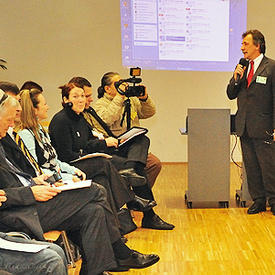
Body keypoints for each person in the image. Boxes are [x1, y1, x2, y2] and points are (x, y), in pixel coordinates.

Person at [0, 90, 160, 275]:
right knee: (96, 190)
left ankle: (96, 269)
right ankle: (120, 246)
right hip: (20, 210)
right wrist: (32, 190)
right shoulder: (47, 126)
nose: (13, 124)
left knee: (93, 210)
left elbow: (23, 173)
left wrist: (39, 181)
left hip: (32, 196)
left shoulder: (11, 137)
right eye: (9, 120)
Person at [16, 87, 155, 219]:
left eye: (83, 96)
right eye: (76, 96)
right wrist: (66, 176)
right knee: (103, 164)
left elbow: (55, 160)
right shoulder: (54, 123)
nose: (48, 107)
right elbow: (38, 168)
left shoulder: (41, 129)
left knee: (105, 177)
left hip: (70, 166)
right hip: (59, 174)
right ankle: (131, 199)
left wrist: (73, 170)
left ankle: (115, 229)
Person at [49, 83, 174, 230]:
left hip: (97, 154)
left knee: (140, 144)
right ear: (65, 100)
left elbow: (90, 141)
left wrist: (103, 143)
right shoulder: (61, 121)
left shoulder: (81, 117)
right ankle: (138, 206)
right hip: (76, 163)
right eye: (76, 97)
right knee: (109, 165)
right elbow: (67, 155)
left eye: (83, 96)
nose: (82, 100)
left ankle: (132, 175)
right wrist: (102, 144)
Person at [69, 76, 162, 189]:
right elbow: (106, 120)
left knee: (152, 161)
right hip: (112, 146)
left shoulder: (130, 100)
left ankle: (134, 193)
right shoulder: (100, 104)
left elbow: (149, 112)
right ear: (107, 89)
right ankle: (137, 200)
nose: (123, 87)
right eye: (118, 84)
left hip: (126, 145)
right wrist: (119, 98)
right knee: (138, 167)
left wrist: (144, 98)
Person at [226, 29, 275, 215]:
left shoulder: (271, 67)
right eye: (242, 44)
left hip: (265, 127)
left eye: (246, 44)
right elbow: (230, 94)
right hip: (245, 126)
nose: (242, 48)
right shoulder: (243, 67)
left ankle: (274, 200)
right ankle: (259, 200)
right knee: (251, 167)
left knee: (269, 166)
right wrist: (236, 77)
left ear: (258, 45)